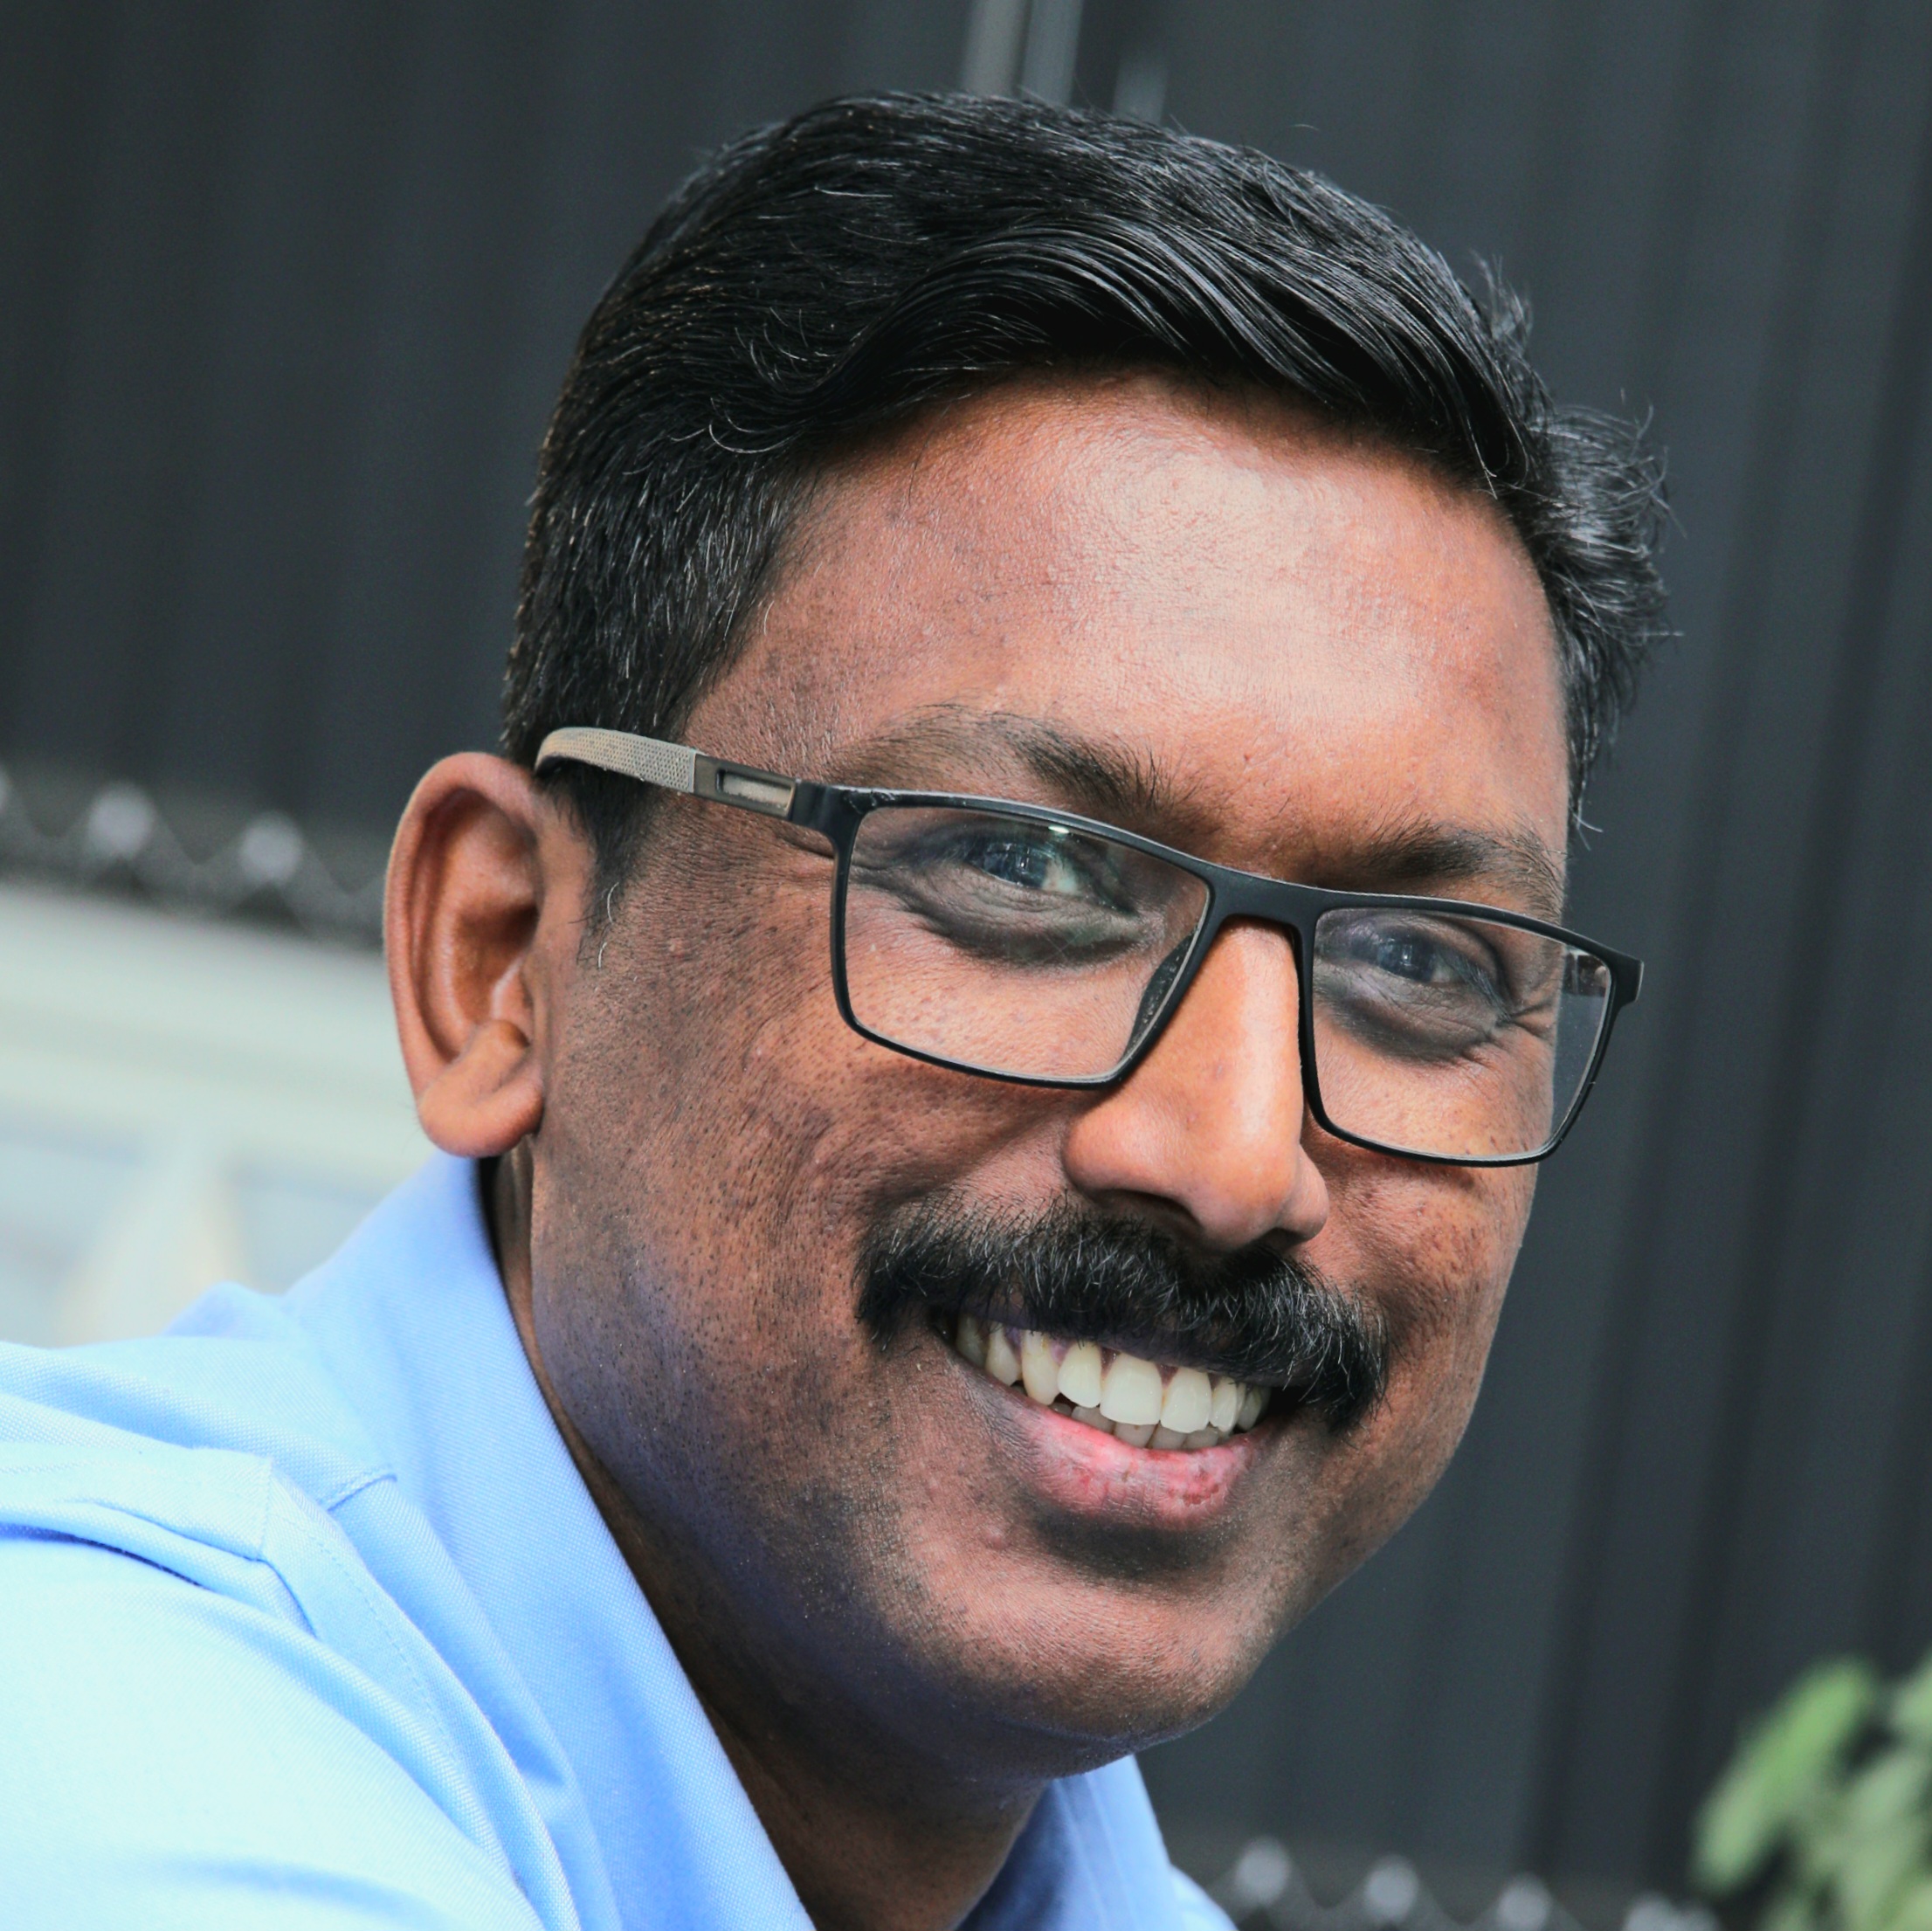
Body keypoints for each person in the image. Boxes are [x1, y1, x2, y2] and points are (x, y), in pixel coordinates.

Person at [0, 93, 1665, 1931]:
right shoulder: (114, 1754)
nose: (1232, 1154)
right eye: (1026, 871)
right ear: (501, 960)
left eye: (1420, 965)